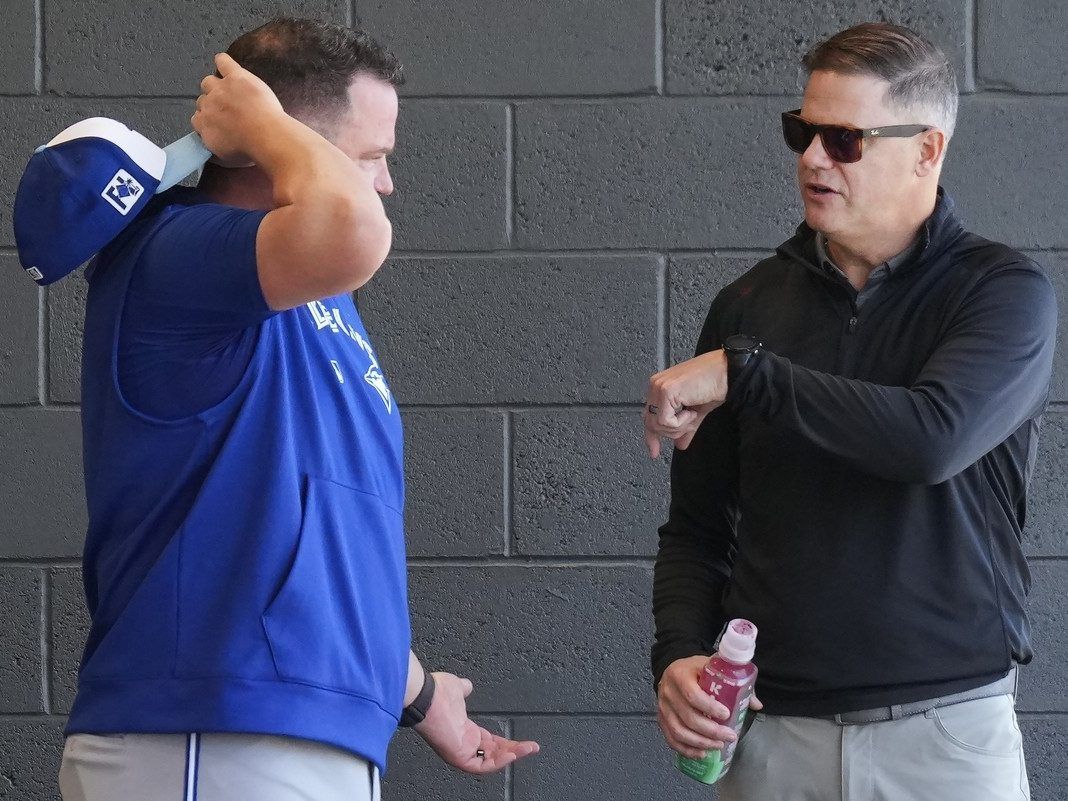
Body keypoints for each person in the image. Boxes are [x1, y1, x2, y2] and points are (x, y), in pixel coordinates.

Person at [58, 18, 537, 801]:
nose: (384, 184)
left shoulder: (318, 305)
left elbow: (318, 540)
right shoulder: (177, 254)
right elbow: (354, 227)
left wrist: (412, 690)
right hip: (207, 731)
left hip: (307, 737)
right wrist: (265, 129)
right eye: (370, 157)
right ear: (274, 140)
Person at [644, 22, 1054, 801]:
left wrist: (748, 374)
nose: (811, 158)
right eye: (802, 132)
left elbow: (931, 438)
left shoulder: (1001, 293)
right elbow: (697, 530)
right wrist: (675, 654)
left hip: (947, 740)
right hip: (774, 739)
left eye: (843, 139)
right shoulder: (747, 307)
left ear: (927, 150)